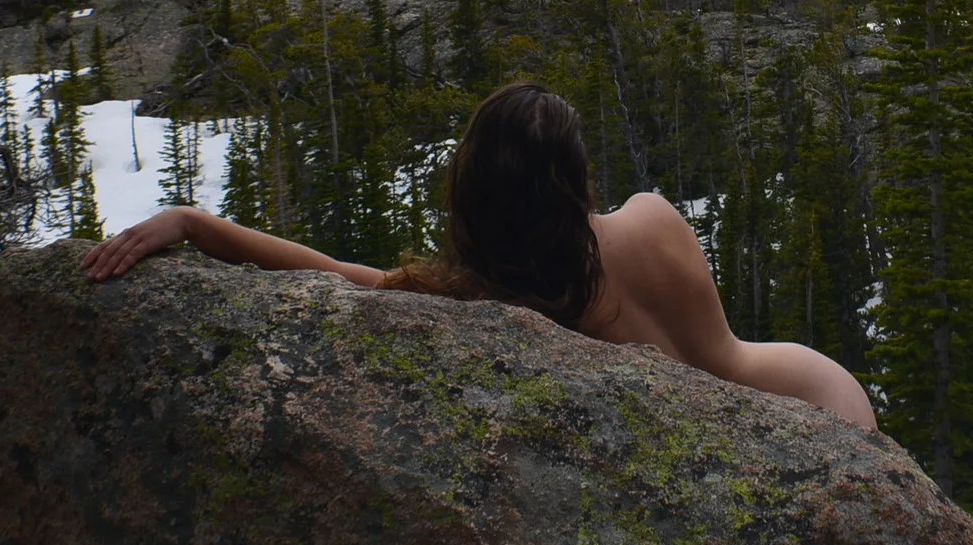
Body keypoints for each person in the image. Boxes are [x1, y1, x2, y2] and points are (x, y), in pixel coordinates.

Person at [77, 80, 876, 429]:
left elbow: (337, 275)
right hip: (820, 399)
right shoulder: (651, 220)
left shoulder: (486, 304)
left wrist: (195, 222)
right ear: (573, 178)